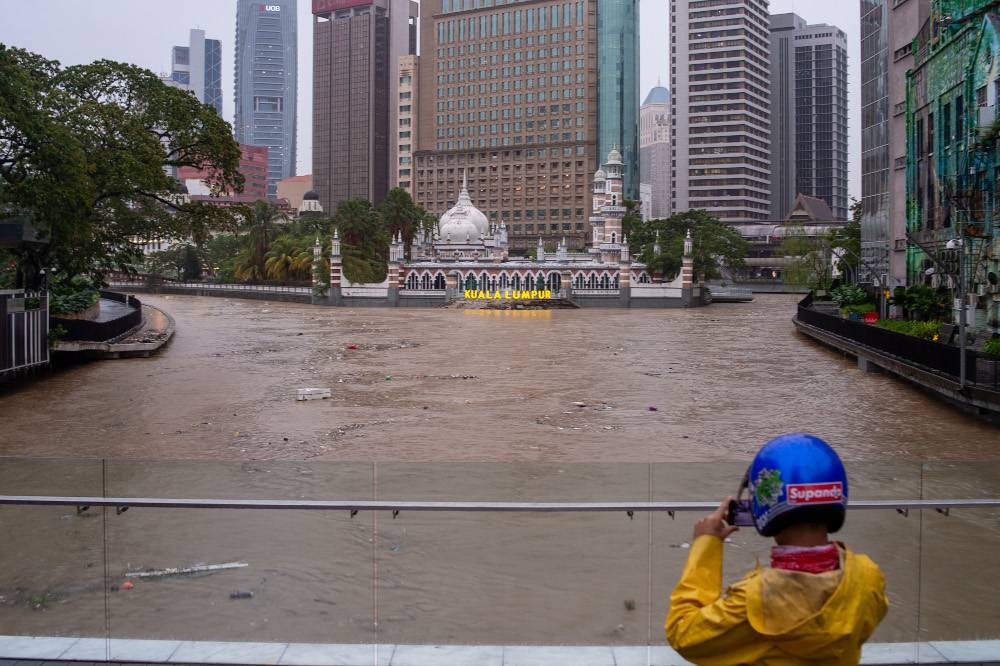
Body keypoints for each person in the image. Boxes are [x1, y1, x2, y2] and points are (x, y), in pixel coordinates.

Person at [665, 433, 888, 665]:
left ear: (764, 502)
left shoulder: (754, 602)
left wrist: (706, 545)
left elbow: (683, 633)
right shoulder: (868, 578)